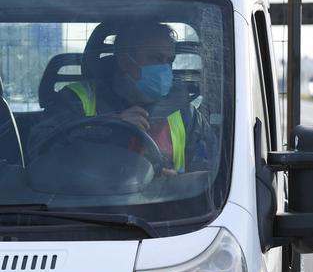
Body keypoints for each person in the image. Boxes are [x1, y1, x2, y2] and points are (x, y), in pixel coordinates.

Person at [31, 22, 211, 175]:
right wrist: (107, 128)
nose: (165, 69)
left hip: (169, 212)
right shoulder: (75, 100)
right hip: (87, 208)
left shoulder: (183, 110)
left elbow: (208, 172)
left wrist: (176, 183)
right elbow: (39, 152)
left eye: (169, 61)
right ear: (125, 62)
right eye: (156, 58)